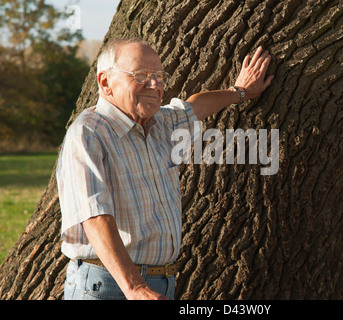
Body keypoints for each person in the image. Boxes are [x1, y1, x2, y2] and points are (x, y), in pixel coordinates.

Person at [56, 38, 273, 300]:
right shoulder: (89, 132)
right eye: (141, 75)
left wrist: (240, 92)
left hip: (161, 284)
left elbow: (196, 106)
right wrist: (135, 288)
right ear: (105, 82)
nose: (155, 84)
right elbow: (94, 218)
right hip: (110, 286)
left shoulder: (161, 123)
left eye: (158, 76)